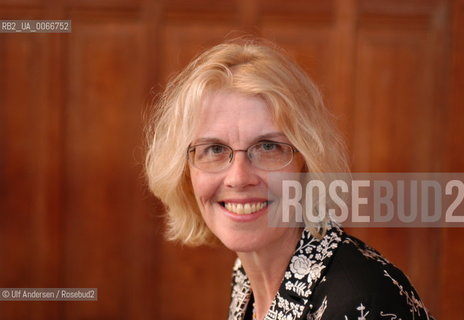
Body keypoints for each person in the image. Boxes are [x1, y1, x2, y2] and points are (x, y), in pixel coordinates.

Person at [145, 38, 435, 320]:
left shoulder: (362, 301)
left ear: (307, 163)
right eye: (215, 149)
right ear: (185, 172)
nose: (239, 178)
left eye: (268, 147)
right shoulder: (248, 274)